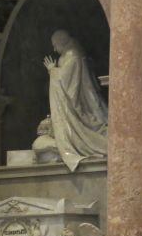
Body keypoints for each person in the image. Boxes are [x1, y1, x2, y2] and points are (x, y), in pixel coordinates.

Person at [43, 29, 109, 172]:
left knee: (96, 126)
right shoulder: (68, 55)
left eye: (55, 45)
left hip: (84, 102)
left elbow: (66, 83)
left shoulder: (73, 56)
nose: (54, 49)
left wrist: (52, 70)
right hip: (82, 98)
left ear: (62, 42)